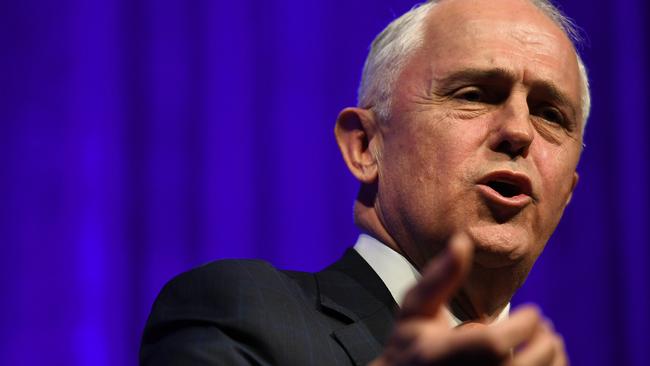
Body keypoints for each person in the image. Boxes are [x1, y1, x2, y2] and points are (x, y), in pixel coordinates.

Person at [140, 0, 590, 364]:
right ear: (365, 147)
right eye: (473, 94)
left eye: (550, 114)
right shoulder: (239, 312)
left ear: (567, 192)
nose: (518, 131)